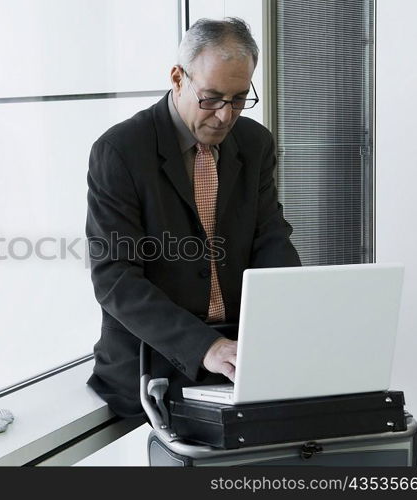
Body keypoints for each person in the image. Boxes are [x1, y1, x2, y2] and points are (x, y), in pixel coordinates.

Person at [85, 17, 301, 418]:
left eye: (238, 99)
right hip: (153, 362)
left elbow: (270, 239)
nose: (224, 116)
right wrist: (205, 347)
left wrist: (288, 317)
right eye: (211, 97)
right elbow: (115, 278)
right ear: (177, 78)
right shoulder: (120, 151)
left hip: (239, 356)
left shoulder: (254, 144)